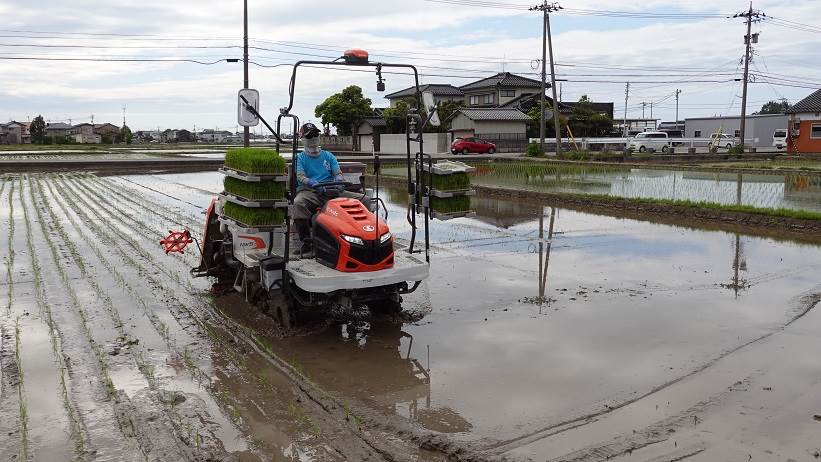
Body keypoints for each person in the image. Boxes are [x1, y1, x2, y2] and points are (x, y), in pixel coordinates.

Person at [293, 122, 370, 254]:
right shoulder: (300, 158)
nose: (314, 137)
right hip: (310, 191)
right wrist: (312, 183)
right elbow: (300, 176)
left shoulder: (328, 156)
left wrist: (339, 181)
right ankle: (306, 242)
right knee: (298, 203)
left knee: (365, 200)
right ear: (303, 139)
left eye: (316, 134)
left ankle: (364, 236)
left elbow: (337, 172)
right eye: (310, 135)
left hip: (331, 190)